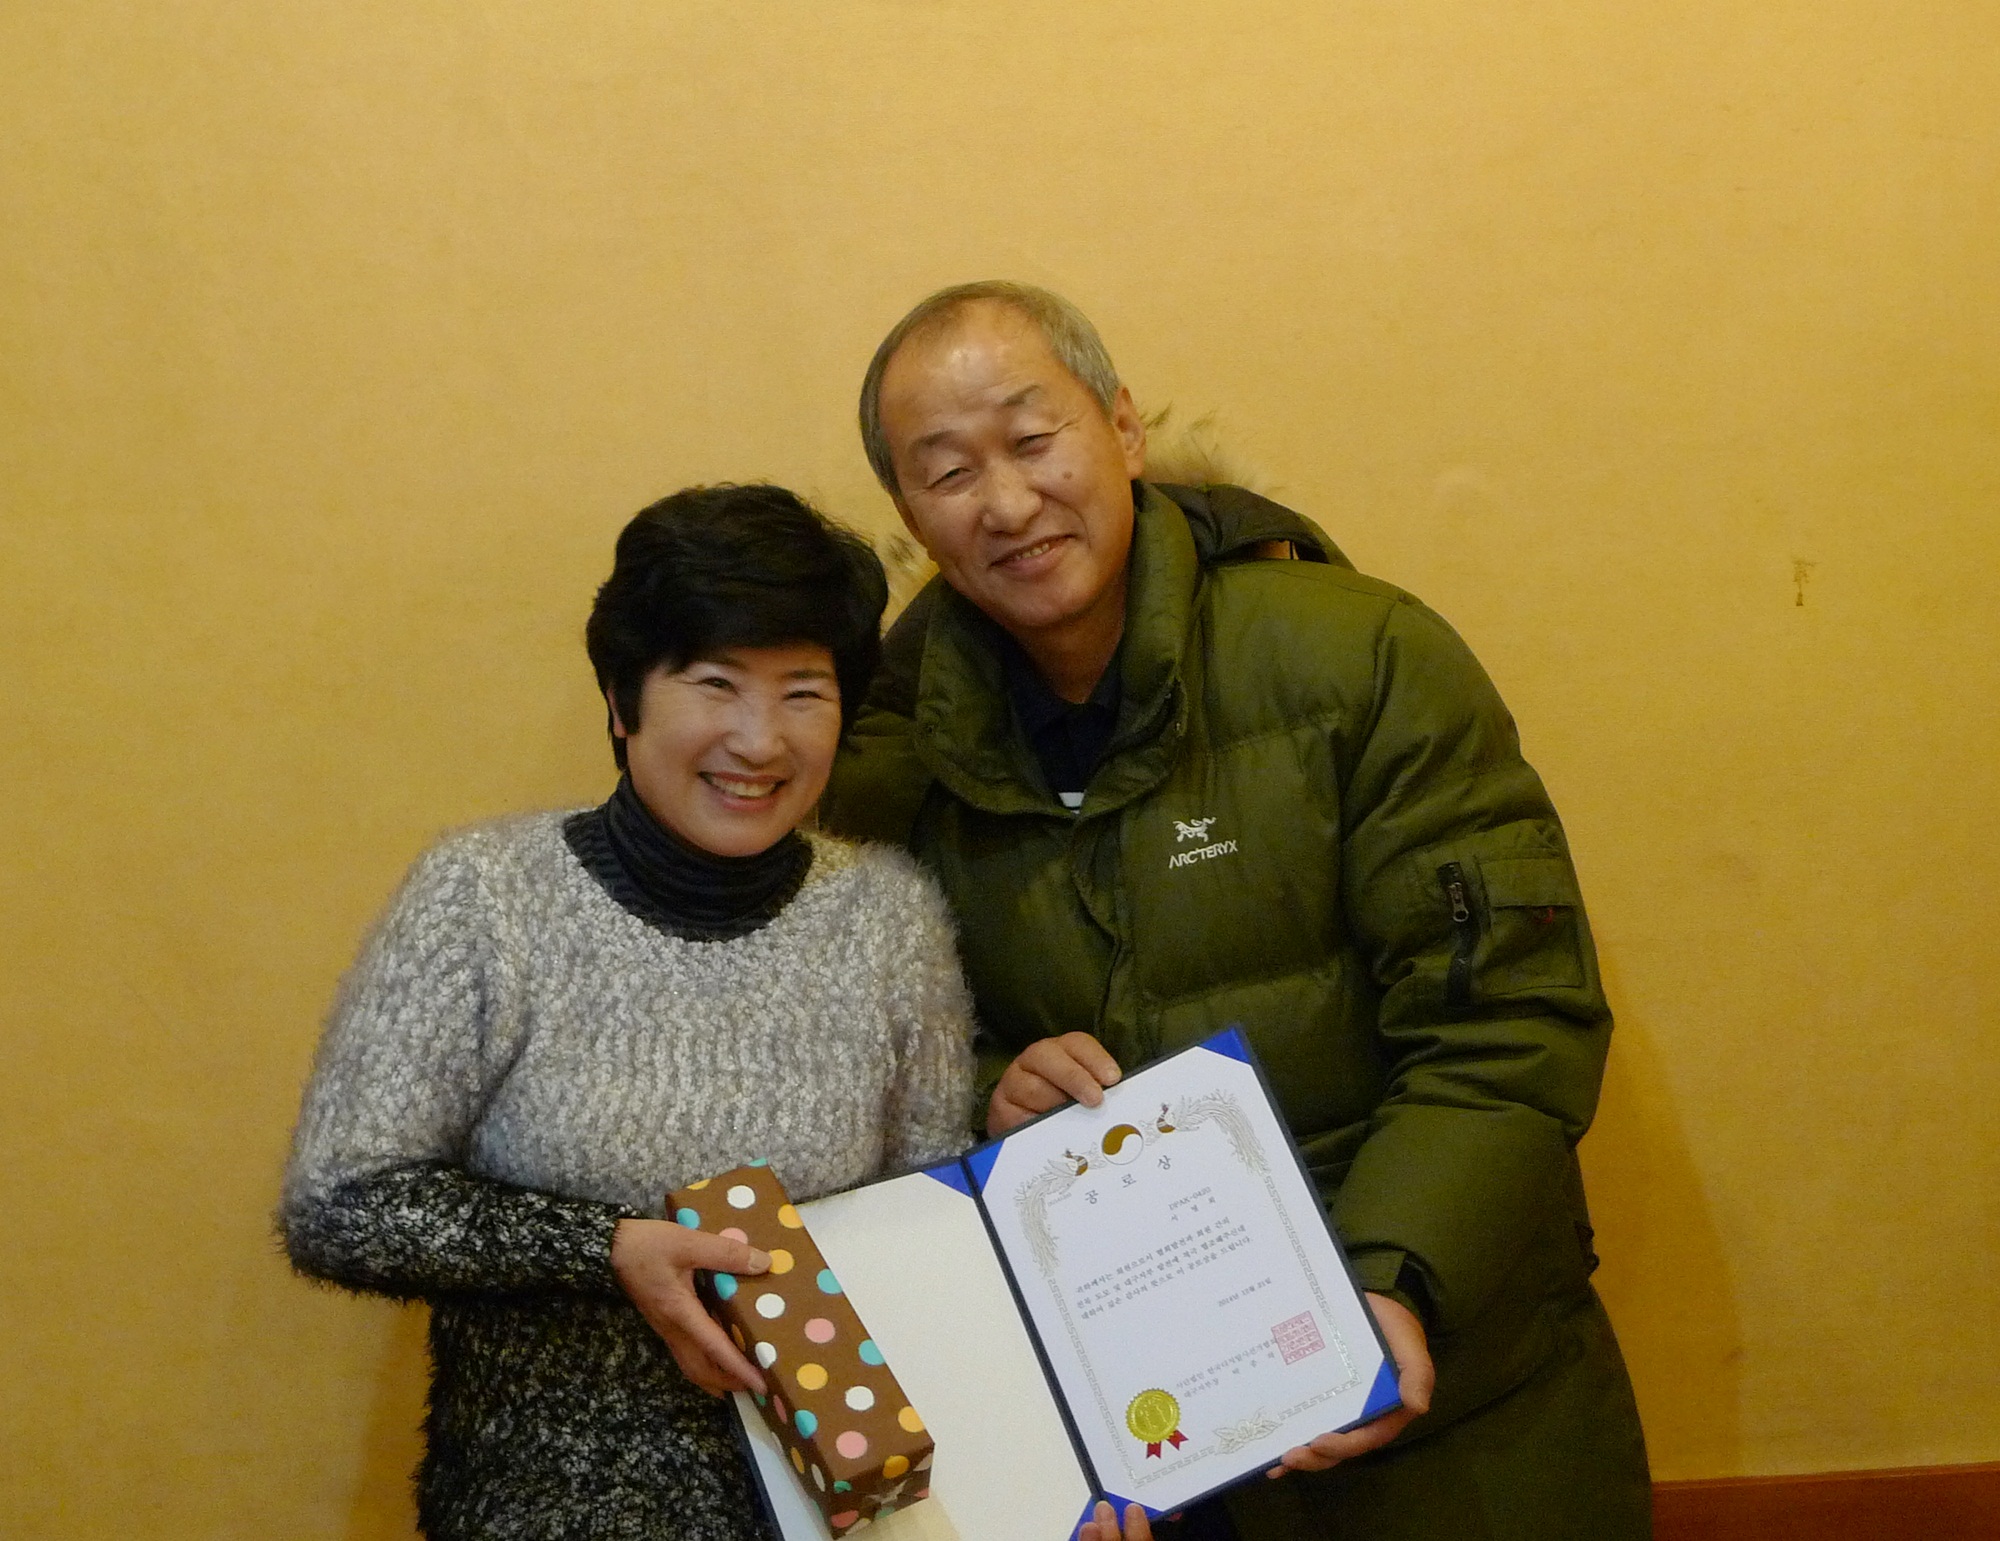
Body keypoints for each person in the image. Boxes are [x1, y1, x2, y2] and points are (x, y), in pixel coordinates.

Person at [821, 283, 1652, 1541]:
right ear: (908, 514)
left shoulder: (1358, 657)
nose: (1005, 501)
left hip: (1440, 1386)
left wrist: (1388, 1276)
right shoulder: (892, 756)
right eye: (946, 471)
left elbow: (1507, 1017)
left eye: (1032, 440)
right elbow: (882, 1053)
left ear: (1122, 428)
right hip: (1136, 1436)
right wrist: (992, 1086)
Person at [281, 484, 977, 1541]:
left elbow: (930, 1240)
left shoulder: (891, 918)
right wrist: (607, 1248)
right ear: (621, 699)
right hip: (541, 1512)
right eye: (715, 683)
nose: (760, 739)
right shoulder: (483, 897)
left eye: (803, 692)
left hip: (832, 1514)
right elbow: (340, 1200)